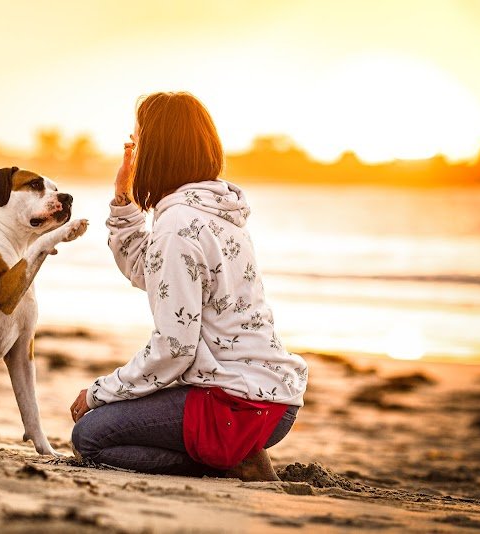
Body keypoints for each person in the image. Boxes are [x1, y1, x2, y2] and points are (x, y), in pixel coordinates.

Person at [69, 92, 308, 480]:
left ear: (157, 152)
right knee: (109, 426)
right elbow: (144, 270)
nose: (131, 155)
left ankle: (230, 462)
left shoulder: (176, 226)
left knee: (91, 437)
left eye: (136, 144)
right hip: (275, 400)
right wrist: (123, 199)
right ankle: (235, 456)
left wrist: (100, 391)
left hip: (234, 407)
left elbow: (174, 349)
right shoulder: (215, 212)